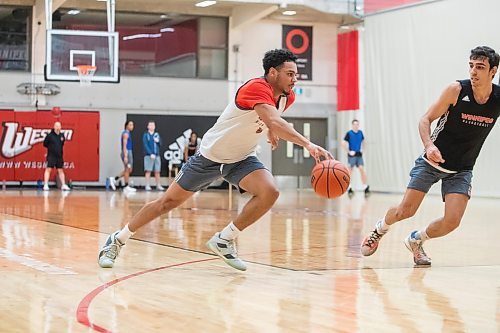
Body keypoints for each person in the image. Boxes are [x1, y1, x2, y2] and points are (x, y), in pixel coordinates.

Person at [98, 49, 333, 270]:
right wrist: (307, 143)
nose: (294, 79)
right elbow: (273, 119)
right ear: (272, 73)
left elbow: (269, 118)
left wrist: (271, 130)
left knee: (269, 191)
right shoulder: (255, 88)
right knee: (166, 203)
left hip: (242, 158)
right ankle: (117, 239)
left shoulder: (286, 97)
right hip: (210, 157)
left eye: (296, 74)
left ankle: (224, 239)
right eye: (290, 74)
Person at [360, 46, 500, 266]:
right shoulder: (456, 90)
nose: (473, 71)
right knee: (405, 211)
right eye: (471, 65)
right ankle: (379, 230)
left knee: (452, 221)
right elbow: (425, 119)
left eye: (480, 67)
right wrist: (428, 145)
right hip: (431, 162)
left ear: (493, 71)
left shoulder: (497, 98)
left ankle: (416, 240)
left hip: (462, 169)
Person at [342, 119, 370, 196]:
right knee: (350, 171)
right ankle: (349, 187)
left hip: (359, 154)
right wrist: (348, 151)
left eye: (357, 124)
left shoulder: (360, 133)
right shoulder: (349, 133)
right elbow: (343, 143)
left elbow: (363, 141)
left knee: (361, 169)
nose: (356, 126)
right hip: (352, 155)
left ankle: (365, 187)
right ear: (352, 125)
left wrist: (362, 150)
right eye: (354, 124)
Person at [109, 120, 136, 192]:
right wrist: (126, 156)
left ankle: (114, 179)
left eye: (132, 125)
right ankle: (126, 186)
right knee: (127, 169)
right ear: (127, 125)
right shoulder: (125, 134)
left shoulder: (128, 133)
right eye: (130, 125)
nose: (132, 126)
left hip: (128, 152)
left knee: (129, 169)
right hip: (127, 152)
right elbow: (124, 145)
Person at [43, 121, 70, 191]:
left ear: (61, 127)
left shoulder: (62, 136)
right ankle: (45, 185)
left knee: (60, 170)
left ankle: (63, 185)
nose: (58, 127)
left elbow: (62, 144)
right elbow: (45, 144)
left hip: (59, 156)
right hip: (51, 156)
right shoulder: (49, 135)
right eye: (56, 126)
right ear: (54, 127)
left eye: (59, 126)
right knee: (48, 169)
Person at [143, 120, 164, 191]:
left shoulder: (156, 134)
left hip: (157, 155)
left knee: (157, 171)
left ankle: (158, 185)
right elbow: (145, 145)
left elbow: (160, 144)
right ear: (148, 126)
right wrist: (150, 153)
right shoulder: (146, 135)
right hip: (149, 156)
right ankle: (147, 185)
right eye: (150, 125)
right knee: (148, 170)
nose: (152, 126)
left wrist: (158, 141)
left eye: (153, 125)